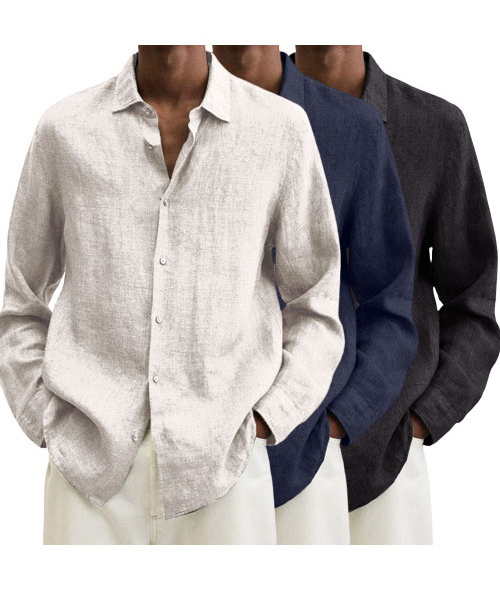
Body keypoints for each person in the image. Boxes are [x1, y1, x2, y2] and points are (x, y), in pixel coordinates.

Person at [0, 45, 345, 544]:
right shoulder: (64, 129)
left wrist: (268, 418)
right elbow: (21, 303)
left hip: (225, 471)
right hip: (88, 478)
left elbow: (316, 301)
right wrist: (47, 421)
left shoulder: (279, 129)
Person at [293, 45, 500, 544]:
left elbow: (473, 302)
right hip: (265, 449)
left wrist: (421, 420)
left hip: (386, 461)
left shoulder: (434, 128)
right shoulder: (239, 114)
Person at [213, 45, 417, 544]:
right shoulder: (164, 125)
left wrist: (338, 420)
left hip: (306, 458)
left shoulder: (351, 127)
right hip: (191, 460)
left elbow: (389, 300)